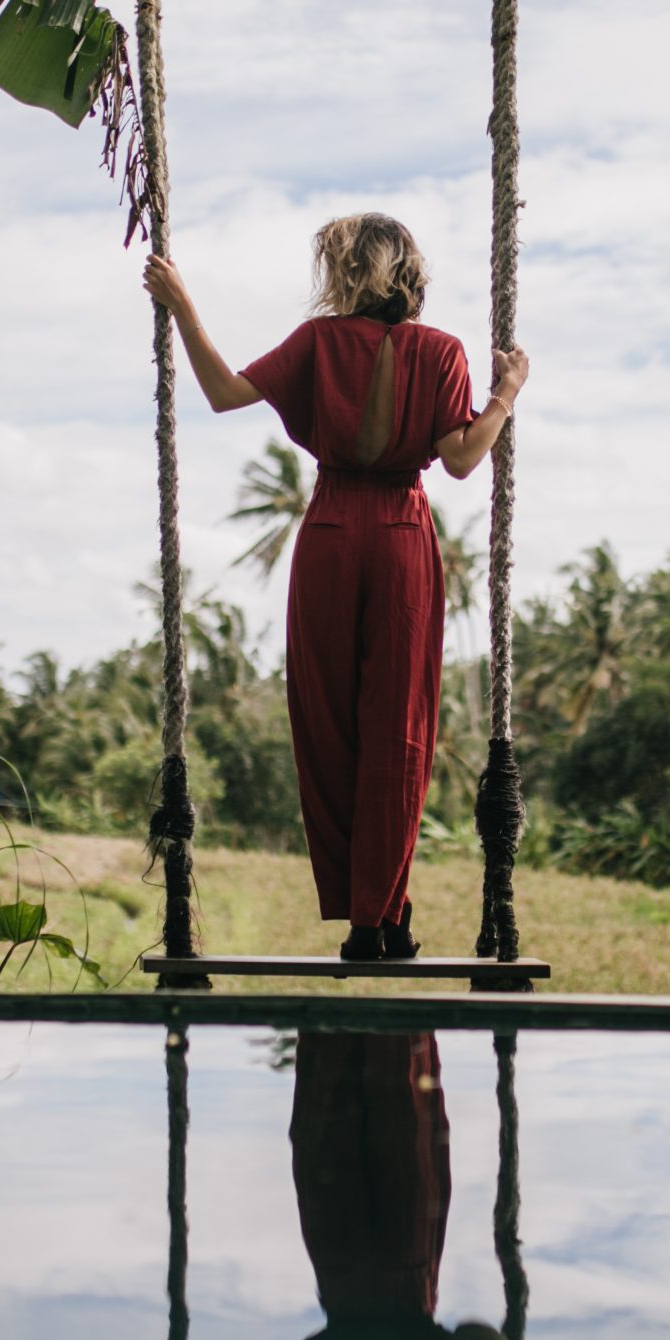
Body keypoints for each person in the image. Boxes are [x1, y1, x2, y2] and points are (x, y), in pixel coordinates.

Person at [145, 216, 529, 960]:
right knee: (400, 727)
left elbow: (223, 392)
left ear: (347, 272)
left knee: (328, 726)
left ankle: (375, 912)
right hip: (400, 539)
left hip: (326, 536)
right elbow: (459, 459)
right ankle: (381, 917)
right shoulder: (440, 351)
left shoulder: (316, 343)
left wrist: (182, 304)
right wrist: (506, 394)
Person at [187, 1032, 547, 1340]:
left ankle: (346, 992)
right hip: (396, 1249)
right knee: (397, 1094)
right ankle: (380, 987)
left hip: (346, 1247)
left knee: (346, 1088)